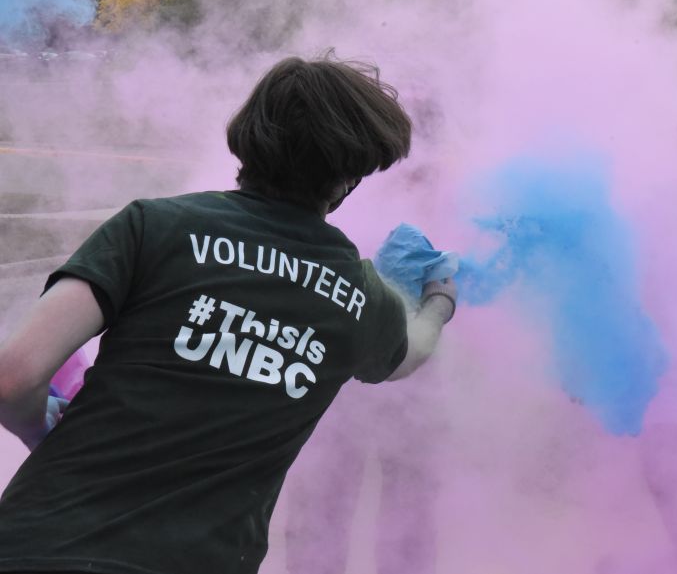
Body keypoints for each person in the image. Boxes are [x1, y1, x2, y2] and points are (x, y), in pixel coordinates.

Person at [0, 54, 457, 574]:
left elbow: (14, 378)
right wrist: (440, 299)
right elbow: (412, 352)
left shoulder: (152, 225)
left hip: (32, 544)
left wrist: (39, 429)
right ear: (349, 176)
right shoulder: (358, 294)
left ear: (246, 138)